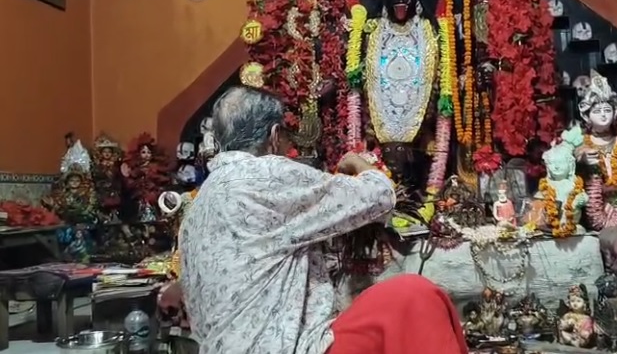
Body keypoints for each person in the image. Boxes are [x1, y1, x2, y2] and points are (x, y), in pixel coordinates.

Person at [179, 86, 468, 354]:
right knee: (414, 295)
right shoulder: (267, 174)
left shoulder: (198, 205)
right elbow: (379, 194)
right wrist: (357, 162)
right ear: (275, 136)